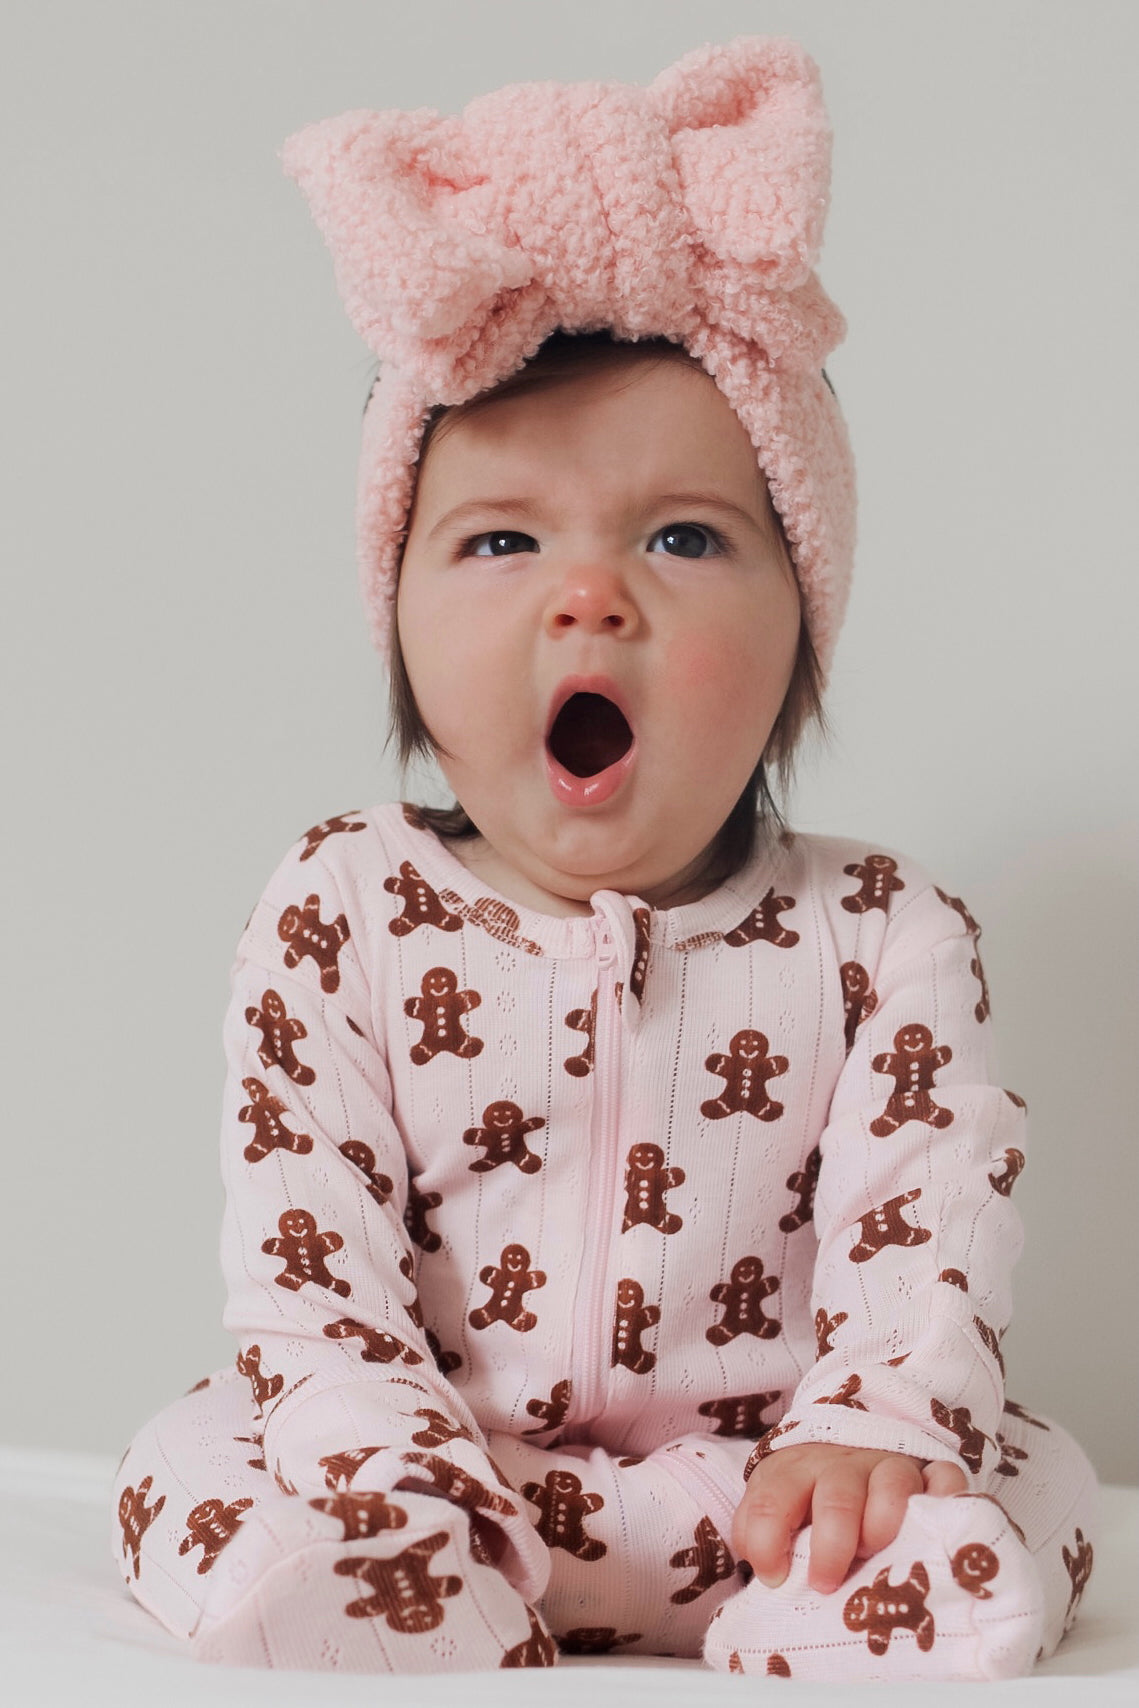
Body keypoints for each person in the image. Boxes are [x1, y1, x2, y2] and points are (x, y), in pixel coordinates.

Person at [110, 37, 1097, 1679]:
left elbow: (926, 1224)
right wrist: (390, 1470)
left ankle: (832, 1611)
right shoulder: (341, 909)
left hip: (770, 1500)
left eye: (683, 537)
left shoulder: (880, 933)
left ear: (803, 641)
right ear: (401, 631)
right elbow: (311, 1258)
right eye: (500, 541)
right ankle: (388, 1592)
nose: (590, 596)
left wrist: (874, 1423)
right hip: (443, 1480)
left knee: (1032, 1479)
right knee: (193, 1455)